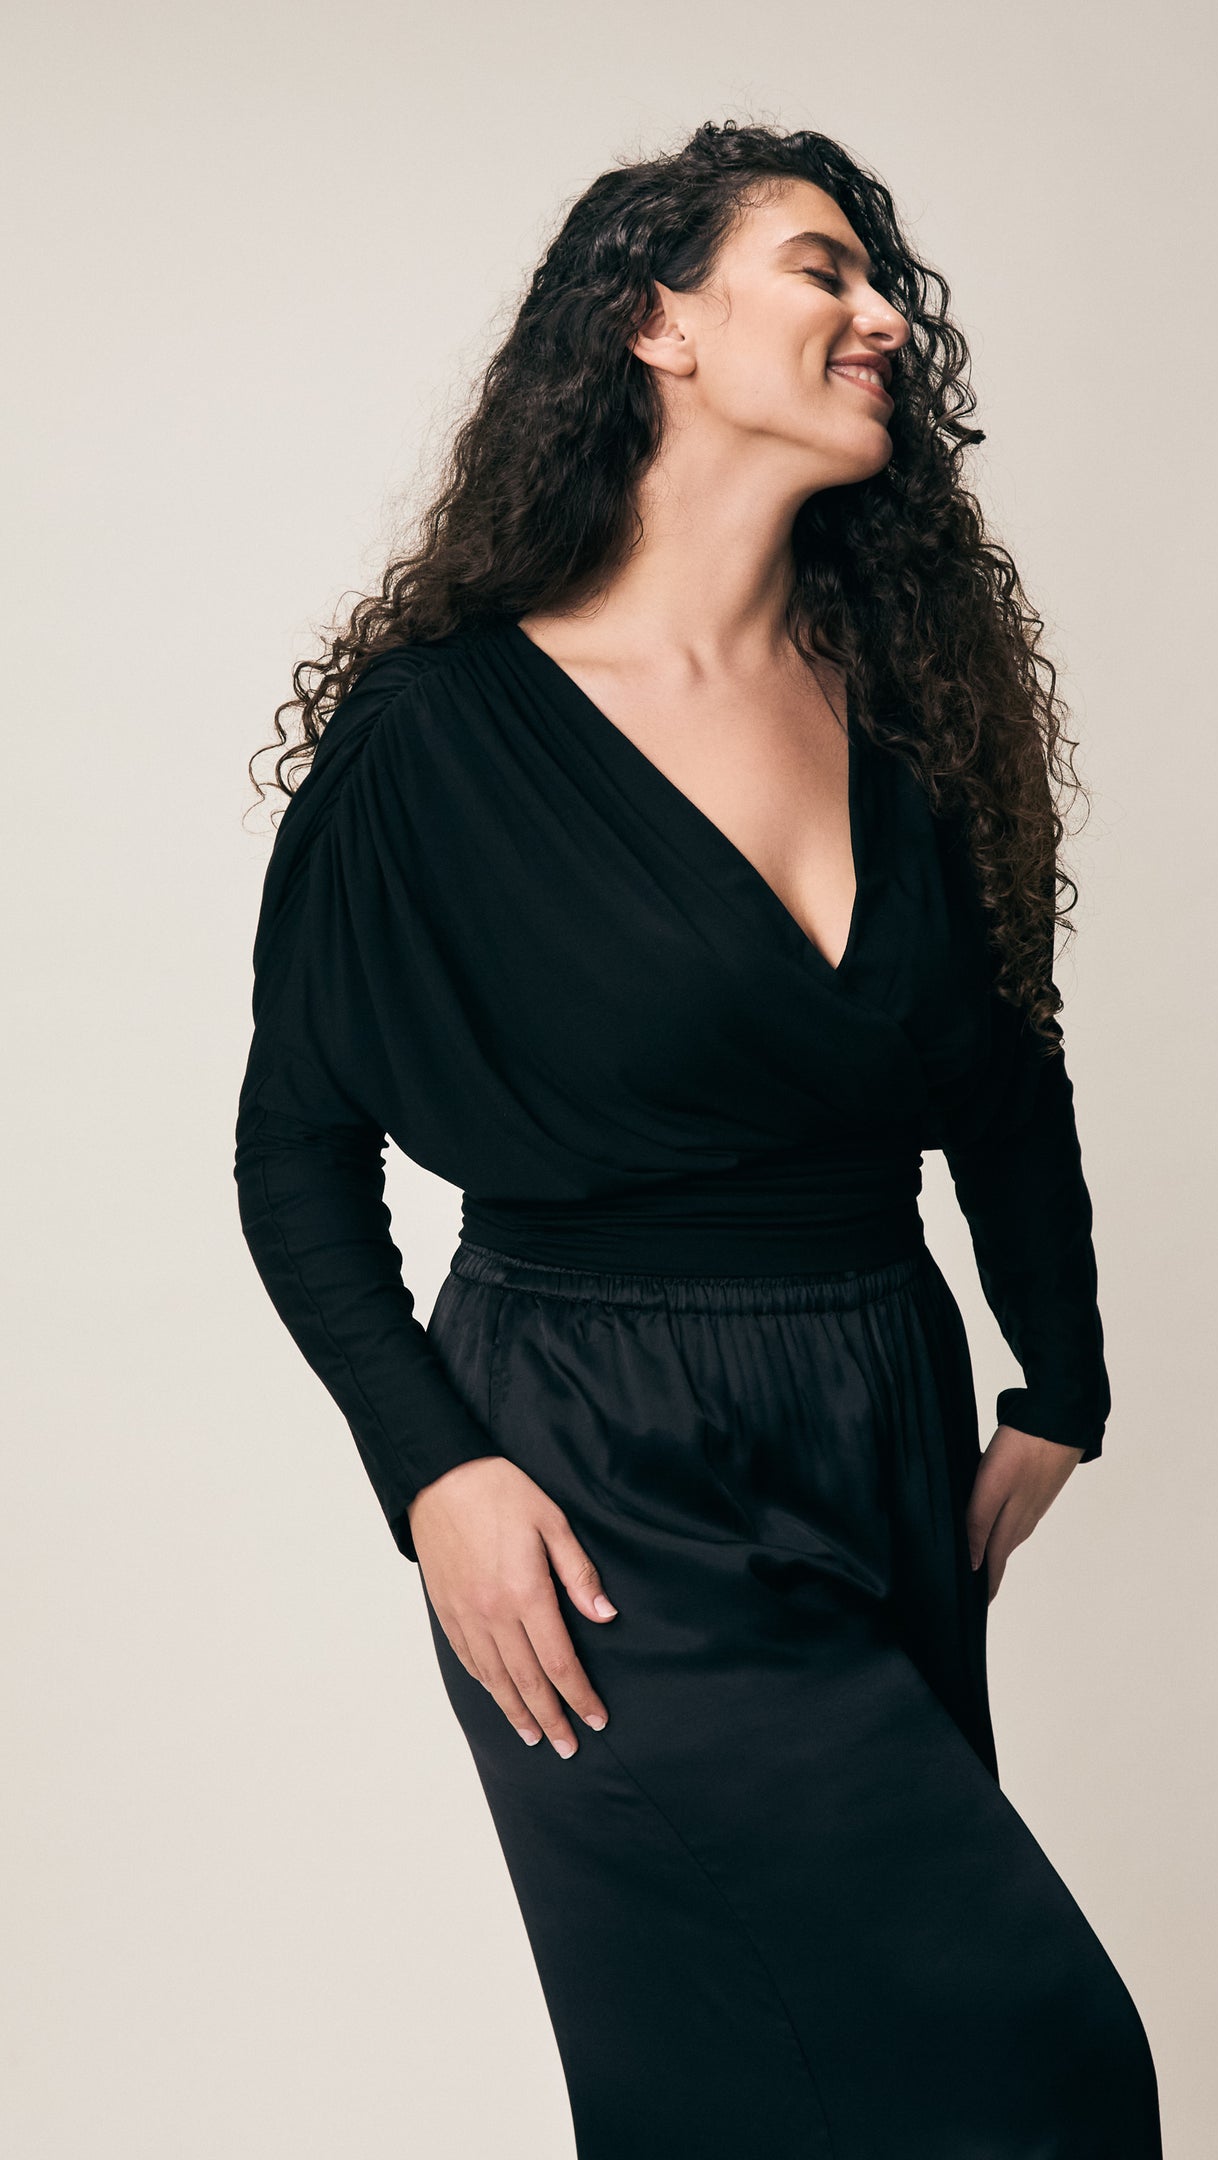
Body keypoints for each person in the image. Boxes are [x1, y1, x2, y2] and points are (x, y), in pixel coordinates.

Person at [235, 119, 1163, 2159]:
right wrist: (434, 1470)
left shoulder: (903, 705)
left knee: (805, 2101)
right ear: (654, 322)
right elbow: (295, 1152)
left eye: (880, 281)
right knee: (1039, 2066)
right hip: (595, 1461)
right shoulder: (438, 736)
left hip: (875, 1405)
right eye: (823, 268)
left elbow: (1003, 1077)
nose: (882, 317)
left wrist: (1062, 1378)